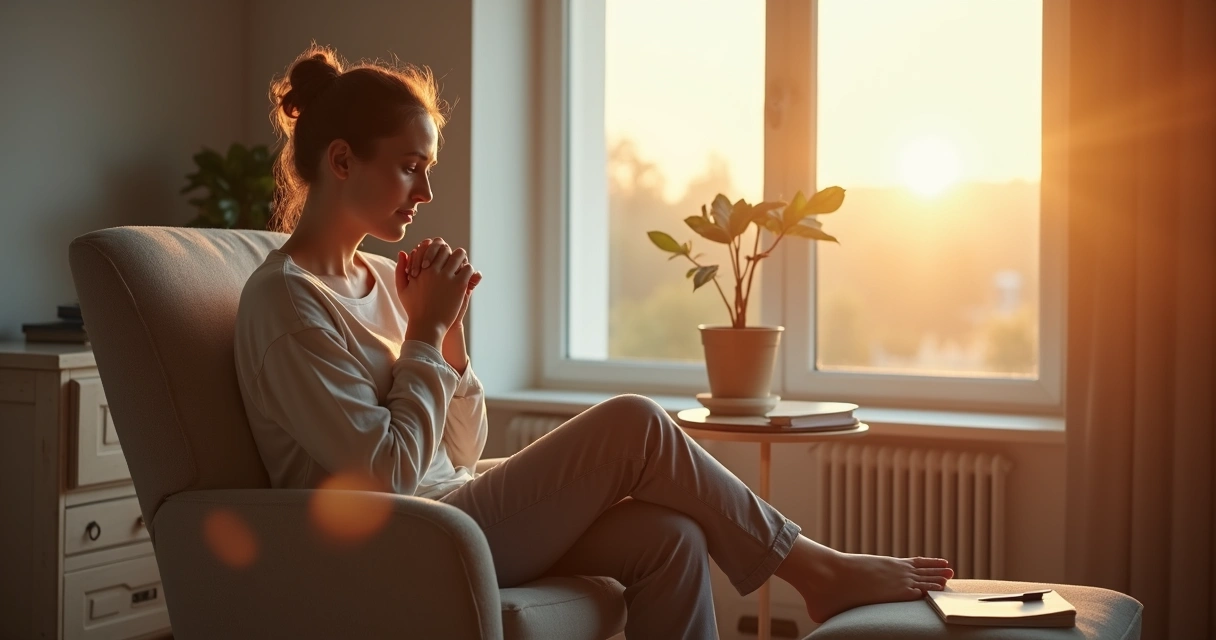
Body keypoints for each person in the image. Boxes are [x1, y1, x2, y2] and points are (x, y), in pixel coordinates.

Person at [233, 45, 952, 639]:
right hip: (401, 542)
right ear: (341, 161)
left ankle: (812, 567)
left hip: (455, 503)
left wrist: (447, 344)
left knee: (671, 538)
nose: (423, 192)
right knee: (634, 421)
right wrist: (423, 332)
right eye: (409, 164)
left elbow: (459, 449)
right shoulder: (286, 302)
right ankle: (816, 570)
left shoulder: (388, 280)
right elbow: (386, 478)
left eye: (429, 169)